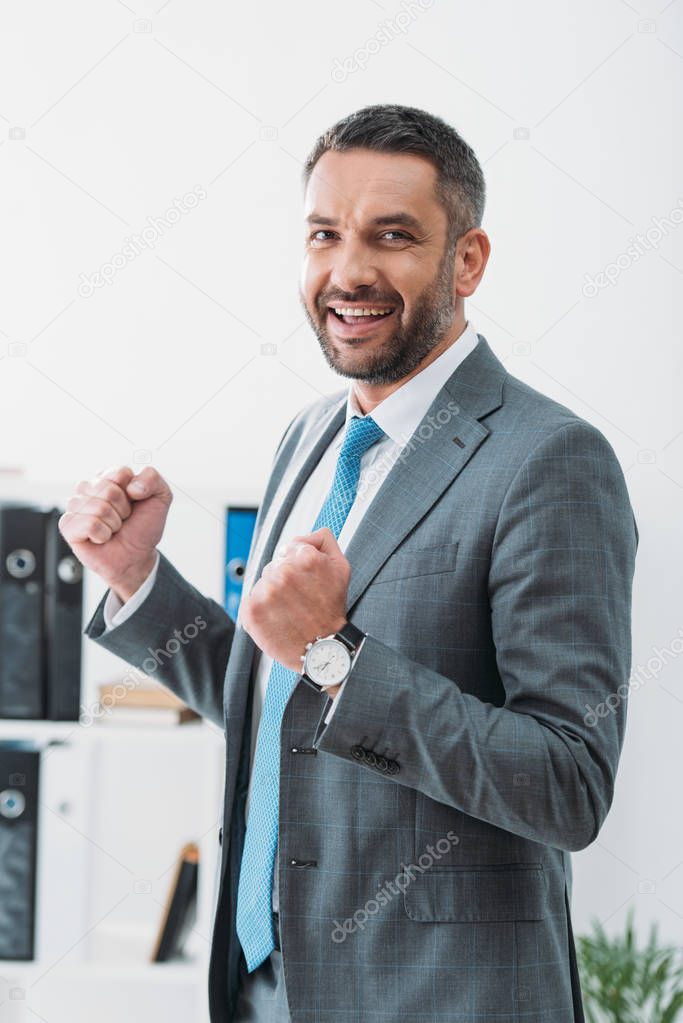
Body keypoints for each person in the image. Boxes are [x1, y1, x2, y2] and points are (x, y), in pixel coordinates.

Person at [60, 104, 638, 1023]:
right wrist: (138, 579)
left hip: (438, 998)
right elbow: (279, 703)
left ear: (468, 261)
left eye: (393, 235)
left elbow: (566, 784)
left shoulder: (548, 459)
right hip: (268, 988)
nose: (348, 271)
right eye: (323, 234)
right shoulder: (312, 435)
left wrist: (336, 650)